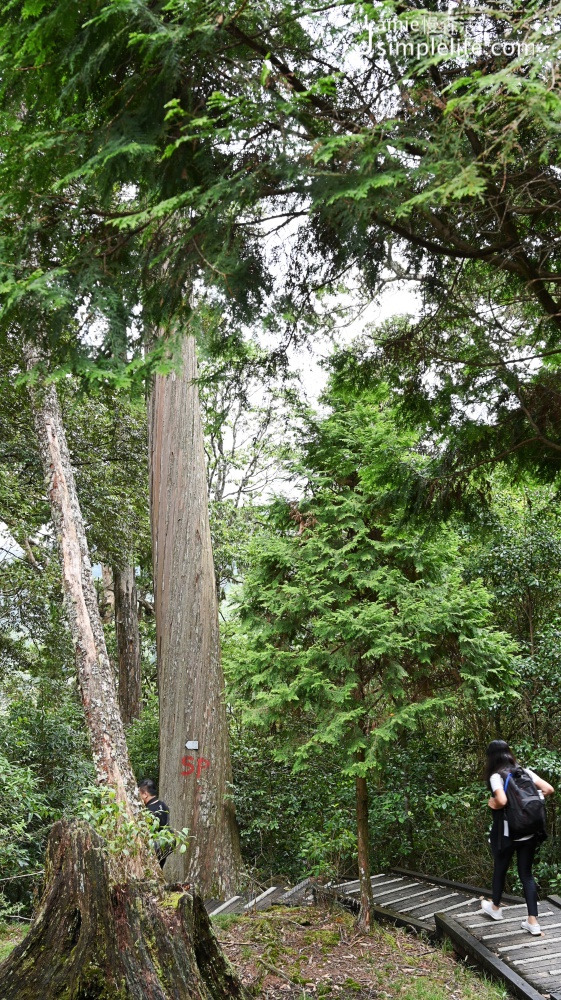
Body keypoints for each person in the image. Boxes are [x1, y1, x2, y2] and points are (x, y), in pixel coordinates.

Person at [481, 739, 554, 935]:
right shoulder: (525, 771)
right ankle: (533, 922)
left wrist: (494, 803)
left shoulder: (497, 776)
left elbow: (502, 800)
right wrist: (525, 802)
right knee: (526, 875)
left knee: (500, 869)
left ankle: (495, 908)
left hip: (508, 833)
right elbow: (548, 789)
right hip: (529, 832)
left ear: (492, 757)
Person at [138, 778, 171, 868]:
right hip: (164, 847)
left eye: (139, 794)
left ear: (145, 794)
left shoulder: (148, 811)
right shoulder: (163, 805)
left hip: (153, 849)